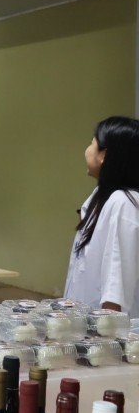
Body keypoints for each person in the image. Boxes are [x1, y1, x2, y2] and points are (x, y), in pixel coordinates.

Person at [64, 116, 139, 318]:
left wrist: (106, 341)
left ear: (103, 155)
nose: (86, 149)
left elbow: (116, 285)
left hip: (108, 336)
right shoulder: (98, 198)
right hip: (86, 330)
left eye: (92, 143)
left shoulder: (123, 203)